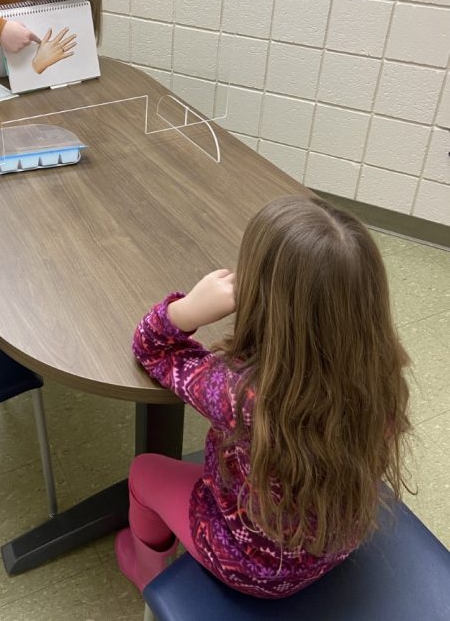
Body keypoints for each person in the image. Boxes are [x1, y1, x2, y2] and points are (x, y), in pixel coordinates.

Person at [116, 195, 411, 598]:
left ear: (261, 296)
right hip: (335, 539)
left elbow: (151, 348)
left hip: (253, 566)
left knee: (143, 472)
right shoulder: (382, 372)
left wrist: (188, 310)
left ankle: (146, 573)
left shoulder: (242, 395)